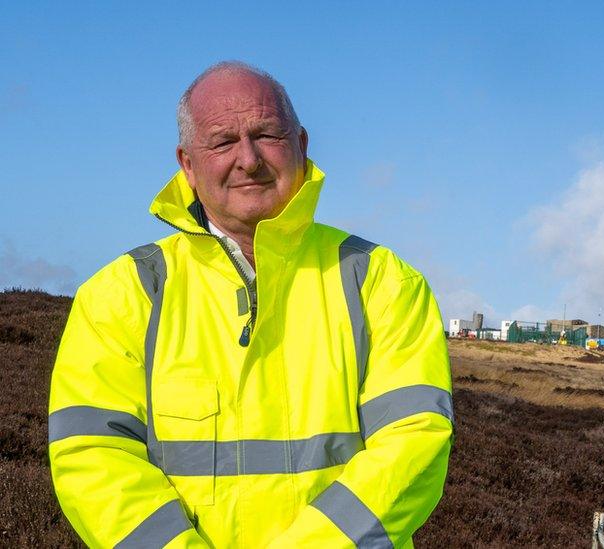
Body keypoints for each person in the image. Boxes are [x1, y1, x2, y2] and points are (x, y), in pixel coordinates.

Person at [48, 62, 454, 548]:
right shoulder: (121, 293)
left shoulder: (384, 282)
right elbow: (92, 457)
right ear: (188, 165)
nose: (248, 159)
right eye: (222, 141)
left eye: (267, 135)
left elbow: (415, 444)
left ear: (301, 146)